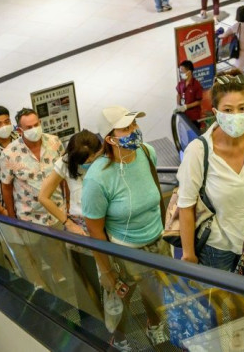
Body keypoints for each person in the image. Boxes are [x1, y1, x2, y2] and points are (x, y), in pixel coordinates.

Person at [82, 106, 169, 349]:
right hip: (125, 251)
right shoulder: (97, 178)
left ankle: (154, 326)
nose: (135, 131)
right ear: (110, 138)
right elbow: (95, 230)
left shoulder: (146, 152)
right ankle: (118, 338)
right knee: (122, 300)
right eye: (127, 128)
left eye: (134, 125)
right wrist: (107, 270)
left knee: (155, 293)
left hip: (157, 241)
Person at [178, 69, 244, 270]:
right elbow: (186, 206)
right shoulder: (198, 151)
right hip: (218, 248)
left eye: (243, 108)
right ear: (216, 113)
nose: (236, 116)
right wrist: (188, 254)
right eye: (228, 110)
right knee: (221, 299)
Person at [0, 107, 65, 222]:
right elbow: (6, 187)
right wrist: (11, 216)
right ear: (20, 131)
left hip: (58, 213)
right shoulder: (9, 154)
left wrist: (68, 202)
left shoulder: (54, 142)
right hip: (30, 218)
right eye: (29, 128)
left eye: (36, 125)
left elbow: (65, 174)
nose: (34, 130)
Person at [38, 130, 102, 234]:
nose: (89, 163)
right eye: (84, 161)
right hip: (80, 220)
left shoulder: (106, 158)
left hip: (105, 219)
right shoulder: (66, 162)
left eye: (92, 160)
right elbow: (43, 197)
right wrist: (68, 223)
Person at [220, 6, 244, 101]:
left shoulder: (237, 26)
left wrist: (221, 35)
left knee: (235, 71)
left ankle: (238, 91)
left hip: (243, 53)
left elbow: (225, 34)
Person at [175, 60, 204, 126]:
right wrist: (178, 105)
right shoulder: (181, 83)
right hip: (183, 115)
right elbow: (178, 94)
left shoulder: (196, 85)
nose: (181, 74)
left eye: (182, 72)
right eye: (180, 72)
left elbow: (199, 101)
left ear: (189, 72)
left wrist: (186, 107)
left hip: (193, 117)